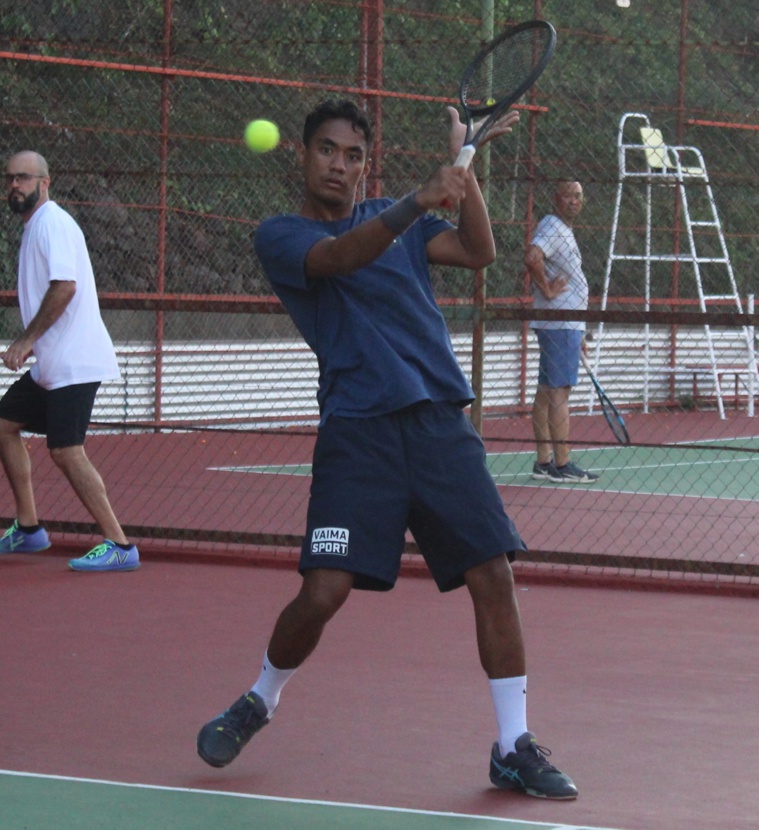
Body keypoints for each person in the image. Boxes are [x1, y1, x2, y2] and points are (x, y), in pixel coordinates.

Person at [196, 99, 577, 800]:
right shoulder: (281, 235)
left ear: (365, 165)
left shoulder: (402, 223)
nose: (338, 165)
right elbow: (340, 257)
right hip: (358, 433)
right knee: (324, 591)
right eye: (327, 150)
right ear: (303, 154)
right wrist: (417, 198)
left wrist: (464, 166)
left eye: (353, 156)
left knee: (493, 575)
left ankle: (512, 745)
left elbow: (480, 252)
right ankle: (260, 699)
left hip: (438, 426)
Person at [0, 151, 139, 572]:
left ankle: (120, 545)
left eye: (24, 178)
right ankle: (29, 529)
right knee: (3, 426)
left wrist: (27, 339)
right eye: (9, 178)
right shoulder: (36, 227)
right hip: (51, 364)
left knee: (66, 451)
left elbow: (65, 286)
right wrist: (37, 346)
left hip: (75, 362)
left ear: (45, 183)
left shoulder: (53, 223)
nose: (14, 185)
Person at [525, 179, 598, 484]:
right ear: (557, 198)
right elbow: (532, 257)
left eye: (578, 196)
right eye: (568, 196)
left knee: (546, 391)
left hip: (564, 325)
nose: (573, 201)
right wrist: (547, 289)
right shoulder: (553, 227)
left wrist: (578, 333)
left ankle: (544, 462)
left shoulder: (560, 229)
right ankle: (562, 463)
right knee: (559, 392)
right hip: (560, 323)